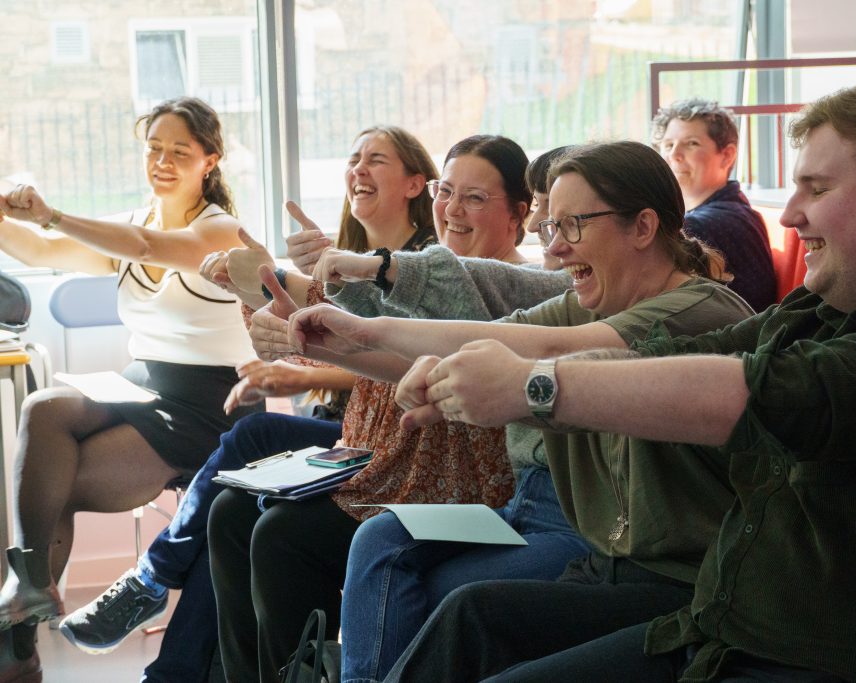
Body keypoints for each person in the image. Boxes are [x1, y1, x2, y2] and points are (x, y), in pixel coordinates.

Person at [387, 77, 856, 682]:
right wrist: (461, 375)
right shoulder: (822, 309)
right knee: (472, 624)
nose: (792, 213)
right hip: (732, 630)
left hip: (836, 657)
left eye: (816, 189)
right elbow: (669, 358)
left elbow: (770, 393)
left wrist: (534, 387)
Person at [270, 140, 753, 683]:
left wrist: (367, 330)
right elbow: (494, 337)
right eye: (551, 228)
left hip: (683, 582)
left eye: (572, 226)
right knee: (436, 587)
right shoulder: (594, 296)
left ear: (643, 228)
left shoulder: (696, 308)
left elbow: (549, 352)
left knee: (466, 608)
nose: (558, 248)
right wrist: (344, 339)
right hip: (607, 560)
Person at [54, 125, 440, 682]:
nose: (357, 168)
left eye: (374, 160)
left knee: (251, 440)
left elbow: (391, 363)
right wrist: (259, 288)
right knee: (232, 508)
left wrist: (288, 354)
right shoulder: (342, 255)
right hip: (342, 424)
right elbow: (314, 347)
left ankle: (155, 590)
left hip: (388, 439)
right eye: (352, 157)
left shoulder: (426, 265)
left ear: (414, 184)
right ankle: (179, 662)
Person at [207, 134, 556, 683]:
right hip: (385, 467)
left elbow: (404, 336)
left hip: (457, 484)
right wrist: (271, 299)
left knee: (281, 536)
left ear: (520, 213)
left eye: (475, 199)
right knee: (230, 511)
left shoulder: (530, 290)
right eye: (448, 193)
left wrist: (309, 330)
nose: (453, 210)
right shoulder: (415, 270)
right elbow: (363, 330)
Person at [0, 97, 259, 679]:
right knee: (43, 410)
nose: (162, 161)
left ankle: (17, 648)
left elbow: (146, 251)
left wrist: (51, 214)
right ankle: (26, 590)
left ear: (209, 161)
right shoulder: (134, 220)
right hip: (143, 383)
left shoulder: (217, 226)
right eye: (154, 149)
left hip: (211, 403)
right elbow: (41, 250)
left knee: (51, 485)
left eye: (179, 152)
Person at [332, 146, 591, 683]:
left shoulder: (590, 295)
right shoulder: (566, 291)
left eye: (571, 223)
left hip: (573, 520)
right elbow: (478, 331)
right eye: (445, 192)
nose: (556, 239)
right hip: (523, 503)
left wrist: (376, 274)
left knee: (446, 590)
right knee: (373, 536)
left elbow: (479, 315)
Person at [653, 98, 776, 311]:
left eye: (691, 143)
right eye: (668, 145)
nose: (674, 155)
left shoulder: (711, 224)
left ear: (727, 156)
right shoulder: (734, 209)